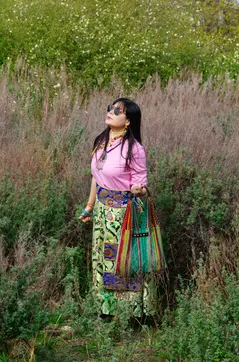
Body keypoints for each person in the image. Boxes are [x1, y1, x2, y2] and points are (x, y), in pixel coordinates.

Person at [80, 98, 155, 317]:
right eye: (110, 108)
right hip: (103, 211)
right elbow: (96, 177)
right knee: (102, 258)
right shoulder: (100, 140)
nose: (110, 112)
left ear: (128, 121)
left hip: (123, 213)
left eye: (117, 111)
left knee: (120, 260)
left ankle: (128, 313)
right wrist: (89, 206)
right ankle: (106, 309)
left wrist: (139, 190)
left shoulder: (135, 149)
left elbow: (141, 185)